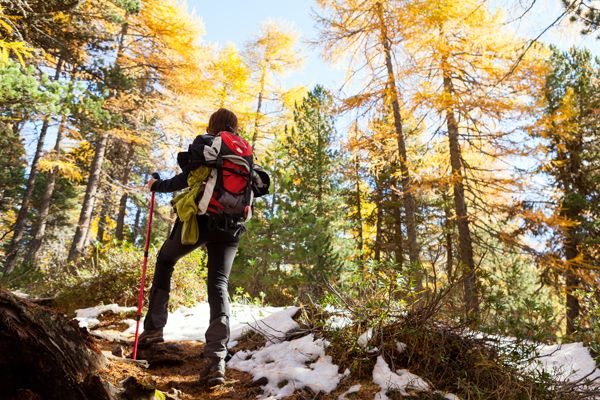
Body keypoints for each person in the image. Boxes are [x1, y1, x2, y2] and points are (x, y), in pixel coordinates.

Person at [138, 108, 254, 387]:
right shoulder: (245, 153)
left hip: (202, 218)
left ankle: (153, 333)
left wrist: (157, 186)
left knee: (166, 260)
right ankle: (216, 359)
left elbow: (186, 179)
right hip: (232, 226)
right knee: (219, 282)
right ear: (235, 128)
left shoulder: (205, 143)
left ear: (212, 125)